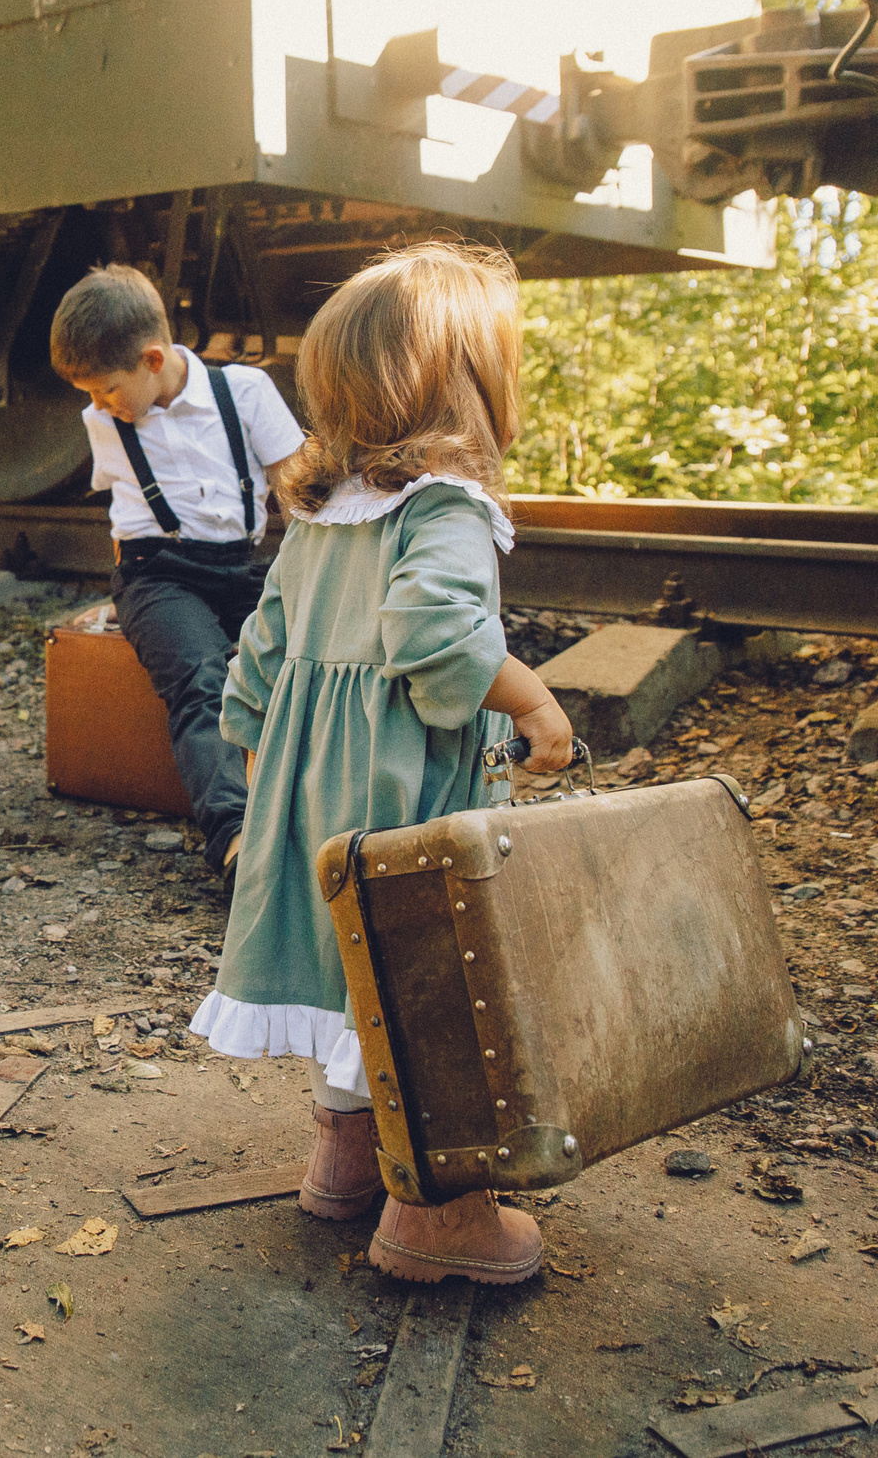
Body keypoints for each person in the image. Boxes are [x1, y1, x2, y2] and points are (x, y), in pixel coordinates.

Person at [189, 240, 576, 1285]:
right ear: (470, 384)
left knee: (347, 967)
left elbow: (259, 654)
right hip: (405, 795)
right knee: (424, 984)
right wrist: (534, 699)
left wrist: (277, 759)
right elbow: (436, 640)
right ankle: (434, 1215)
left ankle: (345, 1157)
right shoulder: (443, 508)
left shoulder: (323, 514)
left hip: (315, 796)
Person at [52, 265, 306, 880]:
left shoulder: (243, 393)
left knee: (300, 669)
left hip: (243, 568)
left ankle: (311, 816)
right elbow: (126, 518)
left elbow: (301, 491)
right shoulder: (104, 421)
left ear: (153, 358)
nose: (98, 405)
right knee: (202, 676)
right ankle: (237, 842)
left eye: (107, 388)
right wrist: (130, 609)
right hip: (157, 574)